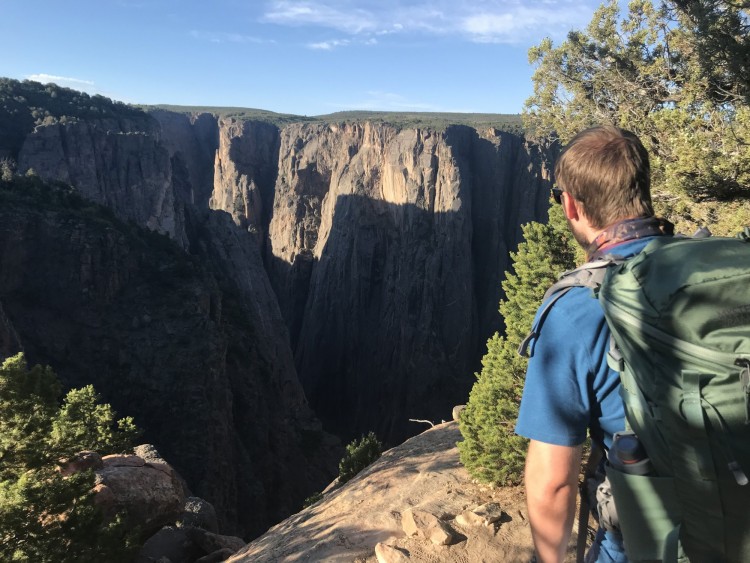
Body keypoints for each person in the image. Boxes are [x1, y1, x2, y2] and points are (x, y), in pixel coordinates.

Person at [514, 125, 674, 563]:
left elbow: (553, 482)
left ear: (570, 204)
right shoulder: (714, 274)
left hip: (646, 538)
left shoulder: (576, 312)